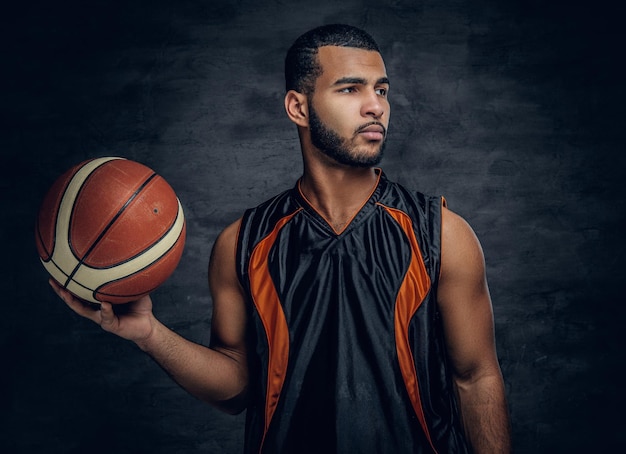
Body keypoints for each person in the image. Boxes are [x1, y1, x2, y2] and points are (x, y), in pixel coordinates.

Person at [51, 24, 511, 454]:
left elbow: (475, 378)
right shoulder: (243, 243)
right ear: (298, 107)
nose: (377, 106)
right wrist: (149, 334)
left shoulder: (442, 233)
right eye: (351, 88)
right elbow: (236, 389)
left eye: (382, 90)